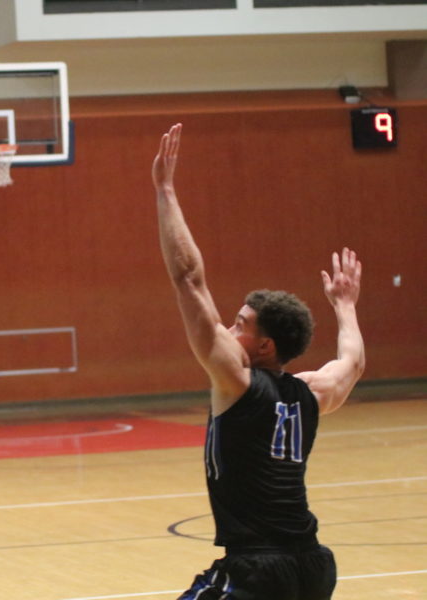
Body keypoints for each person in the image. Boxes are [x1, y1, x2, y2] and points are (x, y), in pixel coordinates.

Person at [152, 124, 366, 600]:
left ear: (264, 346)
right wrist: (345, 306)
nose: (228, 330)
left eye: (240, 323)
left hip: (256, 571)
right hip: (311, 567)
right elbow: (351, 363)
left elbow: (189, 277)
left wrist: (165, 191)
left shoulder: (237, 383)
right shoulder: (311, 393)